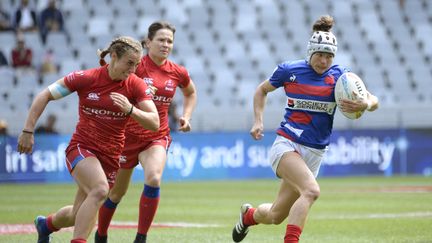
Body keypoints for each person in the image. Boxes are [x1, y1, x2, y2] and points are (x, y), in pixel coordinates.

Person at [231, 15, 379, 243]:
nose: (324, 61)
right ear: (310, 52)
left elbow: (373, 100)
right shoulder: (289, 70)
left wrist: (365, 104)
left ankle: (249, 216)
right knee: (311, 191)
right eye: (320, 54)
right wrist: (258, 120)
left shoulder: (341, 76)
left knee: (275, 215)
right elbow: (261, 90)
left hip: (315, 153)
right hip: (287, 145)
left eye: (329, 55)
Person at [17, 36, 160, 243]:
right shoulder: (86, 78)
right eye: (129, 63)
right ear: (113, 56)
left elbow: (154, 122)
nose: (133, 69)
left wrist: (130, 110)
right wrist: (28, 131)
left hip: (110, 157)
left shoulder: (135, 85)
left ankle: (45, 224)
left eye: (137, 65)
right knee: (100, 189)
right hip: (81, 148)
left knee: (78, 215)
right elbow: (44, 95)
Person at [95, 21, 197, 243]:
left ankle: (141, 238)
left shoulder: (177, 72)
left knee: (153, 178)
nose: (166, 44)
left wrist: (186, 116)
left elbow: (190, 92)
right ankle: (101, 234)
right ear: (148, 42)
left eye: (169, 41)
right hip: (126, 138)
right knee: (115, 194)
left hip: (156, 136)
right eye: (161, 40)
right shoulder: (135, 66)